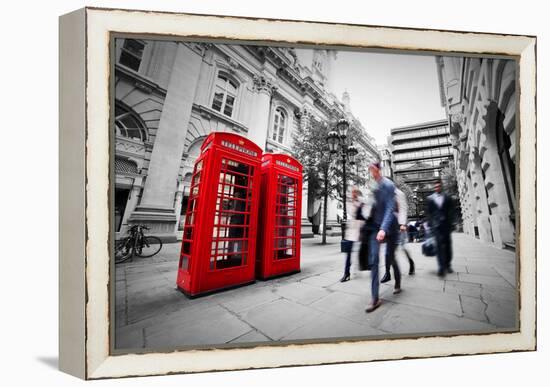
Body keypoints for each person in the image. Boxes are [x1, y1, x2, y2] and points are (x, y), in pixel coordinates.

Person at [365, 162, 399, 313]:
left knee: (390, 258)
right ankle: (375, 298)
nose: (371, 171)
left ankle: (397, 282)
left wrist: (383, 229)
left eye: (372, 169)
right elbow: (370, 206)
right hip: (374, 227)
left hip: (389, 228)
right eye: (369, 169)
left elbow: (390, 208)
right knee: (374, 261)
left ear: (378, 169)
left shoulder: (389, 185)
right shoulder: (373, 186)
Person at [381, 187, 415, 286]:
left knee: (403, 248)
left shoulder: (399, 193)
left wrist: (403, 224)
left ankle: (411, 263)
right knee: (389, 252)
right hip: (390, 226)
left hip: (400, 226)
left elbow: (403, 209)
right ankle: (387, 273)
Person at [426, 179, 455, 276]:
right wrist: (430, 225)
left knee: (447, 246)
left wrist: (452, 223)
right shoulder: (430, 199)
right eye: (435, 187)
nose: (437, 188)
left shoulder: (448, 197)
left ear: (441, 186)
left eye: (438, 186)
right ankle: (441, 267)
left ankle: (448, 264)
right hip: (436, 226)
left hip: (446, 225)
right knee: (438, 246)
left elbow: (451, 211)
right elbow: (429, 213)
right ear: (434, 188)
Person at [340, 188, 367, 282]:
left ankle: (360, 267)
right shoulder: (351, 203)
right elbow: (352, 213)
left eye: (354, 193)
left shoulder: (362, 202)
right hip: (353, 228)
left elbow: (366, 215)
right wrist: (354, 203)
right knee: (349, 252)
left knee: (362, 250)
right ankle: (346, 273)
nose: (353, 194)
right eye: (352, 193)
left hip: (362, 228)